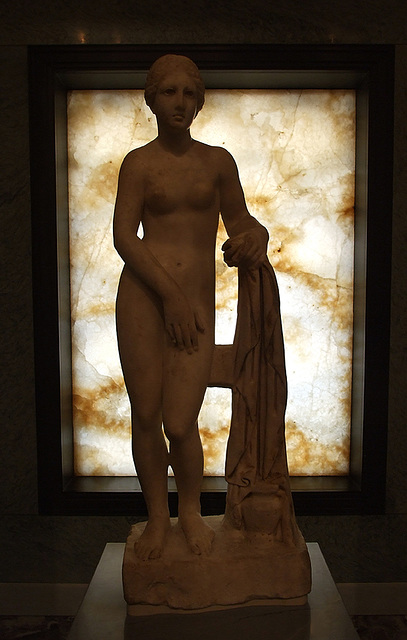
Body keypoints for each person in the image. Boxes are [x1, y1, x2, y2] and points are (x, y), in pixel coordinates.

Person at [113, 54, 268, 561]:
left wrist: (257, 236)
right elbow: (124, 238)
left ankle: (192, 513)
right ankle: (160, 518)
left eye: (188, 93)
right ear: (152, 99)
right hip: (143, 298)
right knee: (146, 414)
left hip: (195, 307)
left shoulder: (217, 161)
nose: (179, 103)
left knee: (181, 422)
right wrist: (170, 295)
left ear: (198, 101)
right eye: (168, 93)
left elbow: (239, 219)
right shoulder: (138, 163)